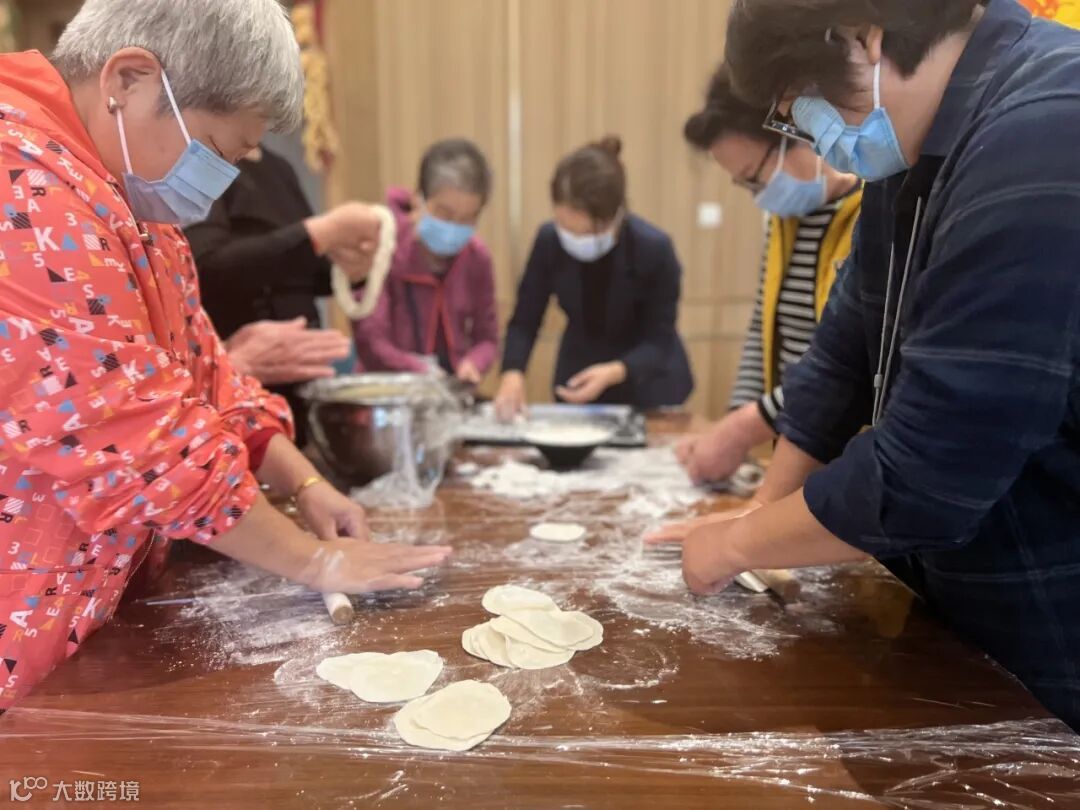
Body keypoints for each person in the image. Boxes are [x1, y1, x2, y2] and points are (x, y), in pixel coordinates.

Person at [0, 0, 450, 710]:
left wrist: (304, 483)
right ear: (128, 80)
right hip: (22, 630)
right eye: (217, 150)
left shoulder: (137, 206)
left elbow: (210, 378)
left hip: (96, 620)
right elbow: (133, 437)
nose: (225, 181)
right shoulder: (22, 189)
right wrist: (313, 560)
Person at [651, 0, 1080, 730]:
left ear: (861, 38)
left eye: (800, 111)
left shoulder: (1046, 129)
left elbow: (929, 471)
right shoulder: (915, 143)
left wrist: (735, 543)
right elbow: (846, 344)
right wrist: (767, 502)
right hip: (958, 617)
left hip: (1053, 630)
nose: (815, 138)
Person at [676, 66, 861, 484]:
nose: (758, 196)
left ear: (794, 133)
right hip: (791, 452)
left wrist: (741, 429)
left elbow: (845, 365)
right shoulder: (785, 221)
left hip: (845, 462)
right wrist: (732, 430)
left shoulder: (869, 220)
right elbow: (763, 328)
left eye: (754, 179)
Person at [186, 143, 385, 444]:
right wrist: (318, 233)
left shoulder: (278, 167)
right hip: (238, 380)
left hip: (299, 383)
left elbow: (307, 270)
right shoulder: (198, 160)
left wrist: (352, 268)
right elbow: (206, 268)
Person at [495, 137, 694, 417]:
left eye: (586, 233)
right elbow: (524, 319)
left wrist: (615, 371)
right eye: (565, 228)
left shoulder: (653, 249)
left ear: (615, 216)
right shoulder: (549, 241)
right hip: (579, 374)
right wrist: (512, 372)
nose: (573, 240)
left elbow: (659, 339)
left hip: (648, 381)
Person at [353, 139, 498, 386]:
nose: (455, 227)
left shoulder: (477, 257)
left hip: (448, 392)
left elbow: (487, 338)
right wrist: (420, 370)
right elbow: (371, 341)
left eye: (468, 219)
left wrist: (474, 363)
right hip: (386, 392)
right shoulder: (383, 246)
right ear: (418, 199)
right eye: (445, 214)